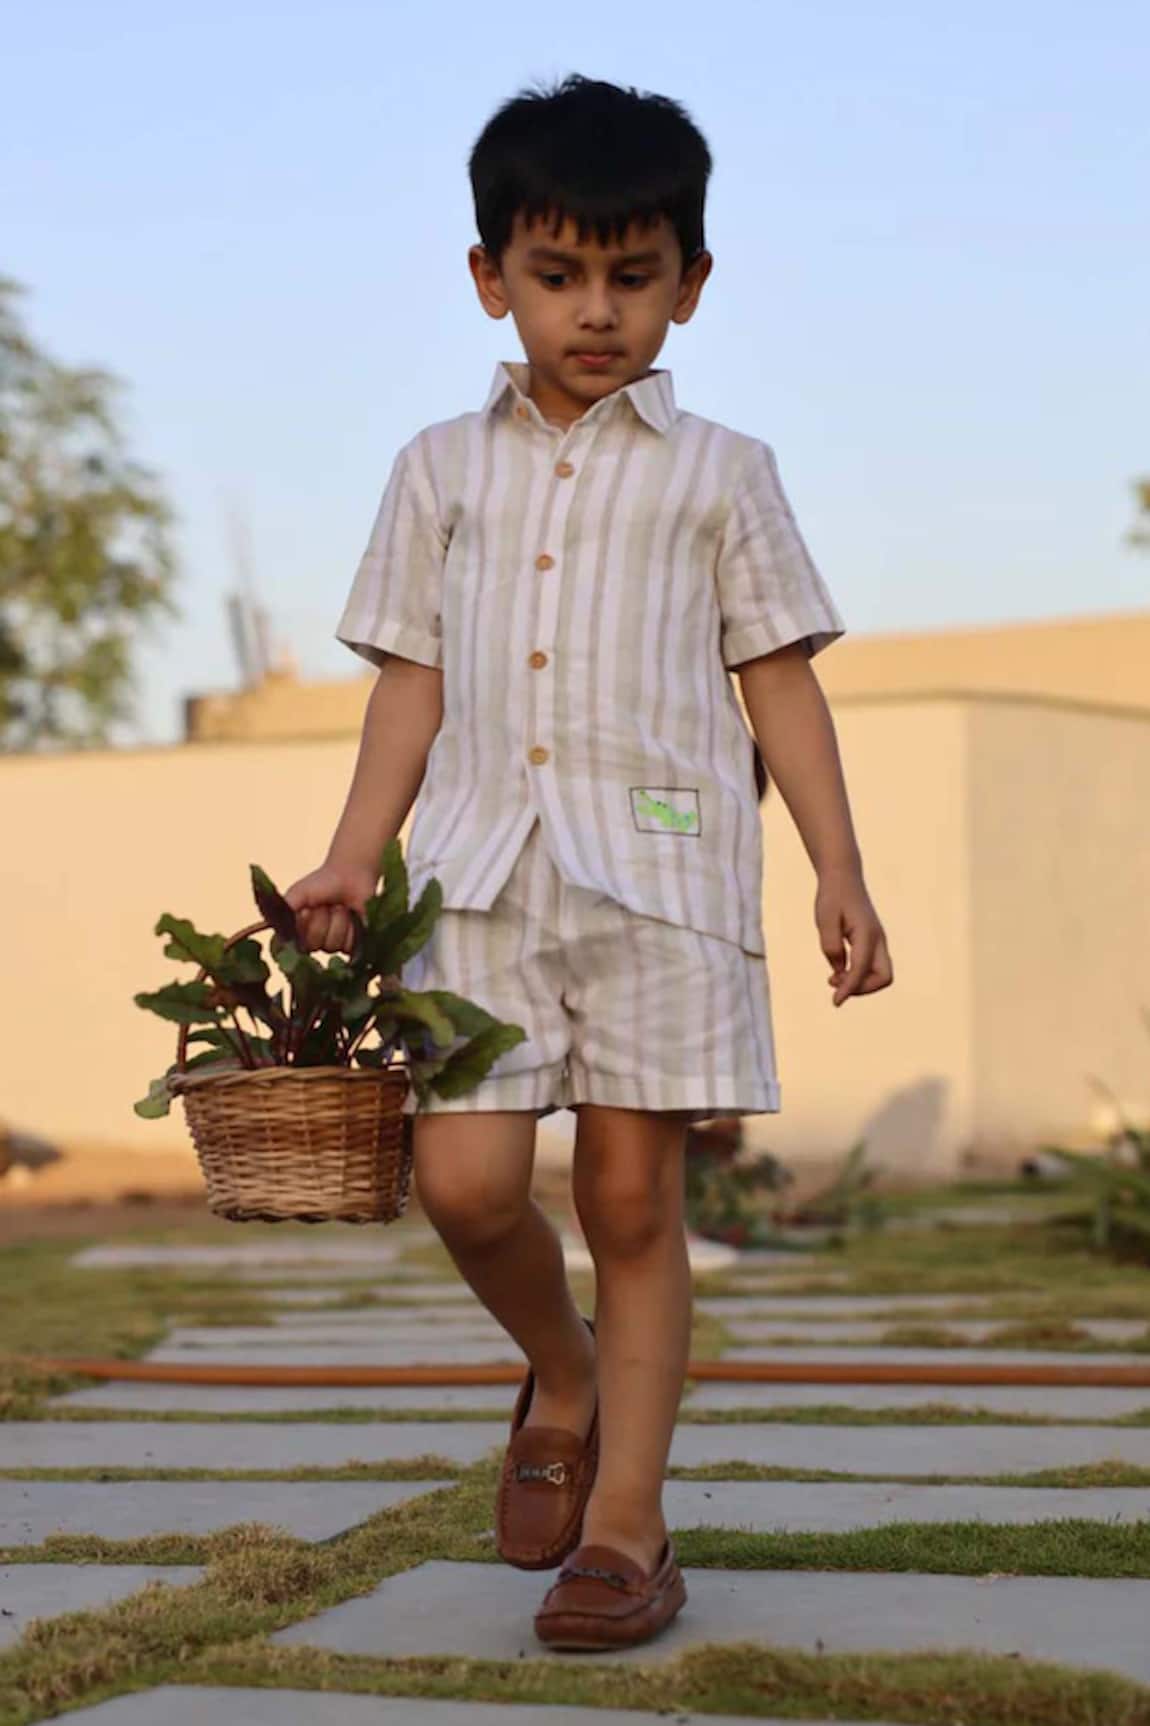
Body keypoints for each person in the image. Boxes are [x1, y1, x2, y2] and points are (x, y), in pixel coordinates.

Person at [284, 73, 893, 1651]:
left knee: (631, 1191)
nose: (596, 312)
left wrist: (837, 865)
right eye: (558, 276)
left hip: (667, 885)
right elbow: (408, 679)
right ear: (490, 277)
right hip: (478, 876)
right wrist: (353, 855)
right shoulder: (437, 468)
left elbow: (777, 674)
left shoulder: (723, 472)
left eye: (634, 277)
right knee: (465, 1180)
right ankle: (556, 1369)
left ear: (691, 280)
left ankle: (625, 1519)